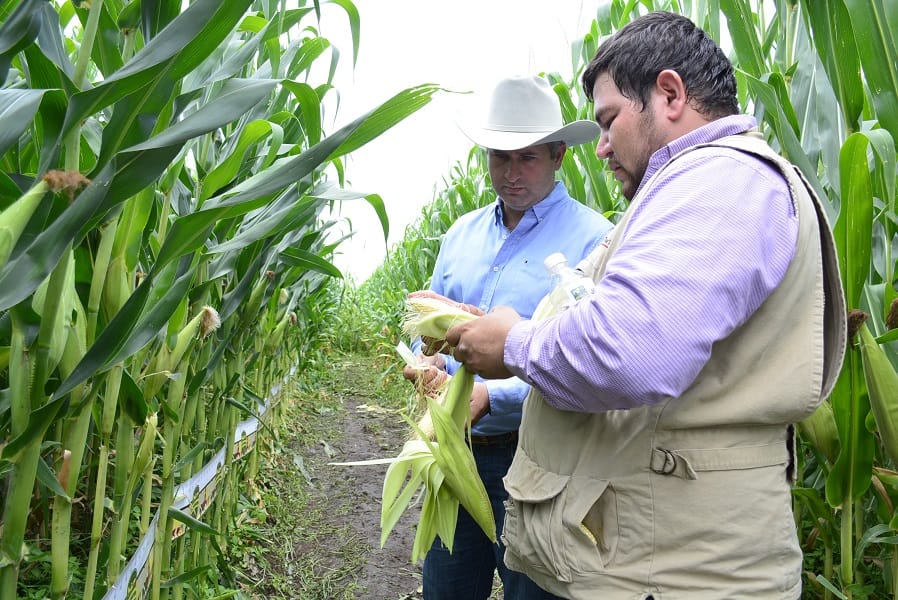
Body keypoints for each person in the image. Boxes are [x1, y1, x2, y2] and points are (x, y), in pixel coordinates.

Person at [435, 12, 847, 600]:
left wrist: (515, 345)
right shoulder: (694, 187)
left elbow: (630, 350)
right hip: (663, 558)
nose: (601, 147)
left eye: (609, 121)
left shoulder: (722, 180)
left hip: (685, 570)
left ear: (670, 94)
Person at [402, 75, 614, 600]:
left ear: (559, 155)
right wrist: (421, 364)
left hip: (540, 459)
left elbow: (588, 360)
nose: (511, 173)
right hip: (456, 454)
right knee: (446, 589)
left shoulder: (593, 239)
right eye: (501, 158)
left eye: (528, 159)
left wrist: (490, 395)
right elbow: (431, 331)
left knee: (535, 592)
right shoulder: (461, 235)